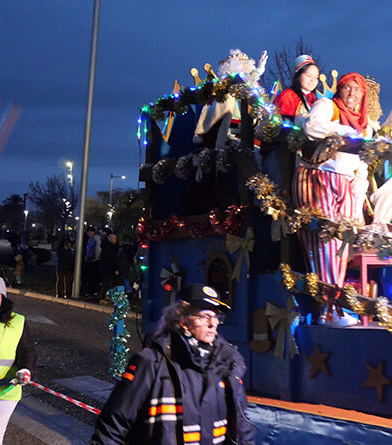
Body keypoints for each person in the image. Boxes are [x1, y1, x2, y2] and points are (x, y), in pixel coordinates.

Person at [92, 284, 255, 444]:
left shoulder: (226, 364)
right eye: (204, 316)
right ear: (182, 319)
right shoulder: (151, 363)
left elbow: (241, 428)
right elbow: (112, 427)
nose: (213, 323)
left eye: (216, 316)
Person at [293, 72, 375, 288]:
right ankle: (330, 305)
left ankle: (333, 301)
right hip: (317, 176)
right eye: (347, 87)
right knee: (324, 240)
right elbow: (311, 127)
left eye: (357, 89)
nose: (352, 93)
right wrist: (344, 131)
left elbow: (363, 166)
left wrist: (358, 204)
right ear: (339, 89)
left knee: (342, 241)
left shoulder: (367, 125)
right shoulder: (328, 106)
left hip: (346, 183)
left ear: (363, 94)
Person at [0, 267, 36, 445]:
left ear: (3, 299)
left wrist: (26, 369)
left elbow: (27, 351)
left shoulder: (17, 322)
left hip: (4, 390)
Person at [273, 55, 319, 122]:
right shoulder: (287, 96)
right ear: (298, 75)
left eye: (316, 77)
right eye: (308, 75)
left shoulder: (312, 98)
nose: (313, 80)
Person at [84, 226, 102, 299]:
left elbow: (97, 250)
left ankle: (93, 291)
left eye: (89, 232)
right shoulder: (91, 239)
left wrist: (94, 258)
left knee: (93, 277)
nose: (88, 233)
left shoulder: (95, 239)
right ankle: (91, 291)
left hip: (94, 261)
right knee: (91, 277)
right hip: (91, 260)